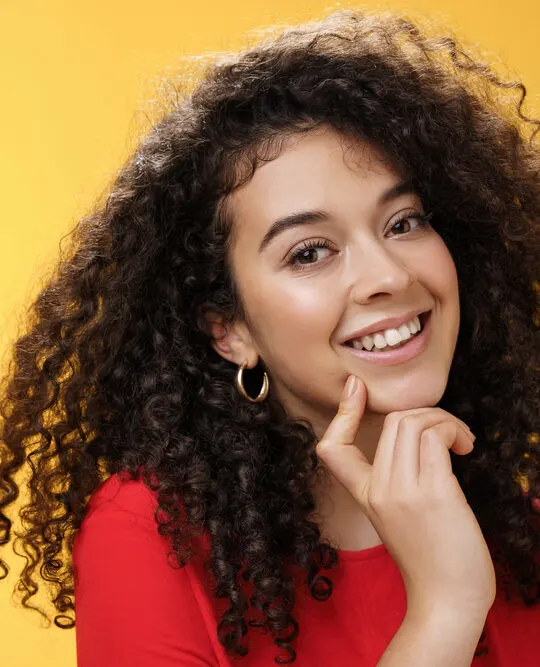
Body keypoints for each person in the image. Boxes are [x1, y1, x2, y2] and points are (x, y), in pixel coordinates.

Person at [1, 7, 539, 667]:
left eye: (404, 222)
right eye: (310, 252)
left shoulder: (522, 523)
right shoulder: (150, 535)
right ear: (229, 330)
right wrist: (445, 607)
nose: (388, 275)